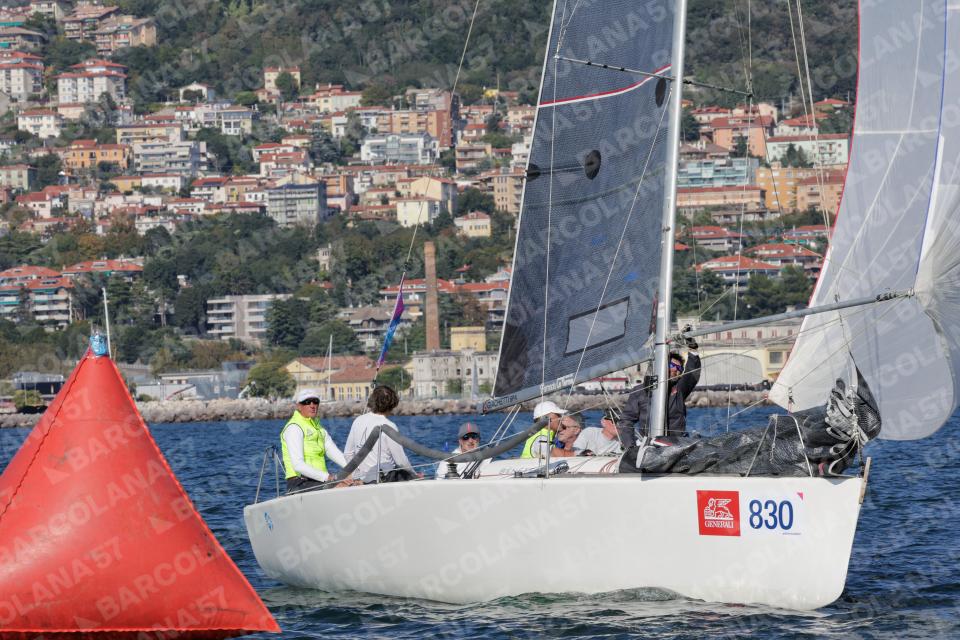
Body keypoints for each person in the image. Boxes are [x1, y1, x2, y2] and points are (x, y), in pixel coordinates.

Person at [618, 343, 701, 444]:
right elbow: (626, 420)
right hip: (650, 444)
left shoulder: (680, 389)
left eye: (679, 368)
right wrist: (630, 446)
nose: (675, 369)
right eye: (672, 365)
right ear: (660, 366)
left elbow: (691, 375)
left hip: (676, 444)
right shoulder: (639, 391)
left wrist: (693, 350)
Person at [344, 385, 418, 483]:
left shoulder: (358, 421)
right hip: (385, 479)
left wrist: (357, 476)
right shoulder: (389, 426)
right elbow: (401, 461)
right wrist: (414, 475)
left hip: (363, 480)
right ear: (392, 404)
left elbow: (348, 454)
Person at [281, 388, 347, 493]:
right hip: (299, 483)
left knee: (355, 483)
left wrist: (352, 470)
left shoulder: (318, 428)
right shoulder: (294, 428)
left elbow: (334, 452)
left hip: (319, 481)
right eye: (307, 402)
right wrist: (328, 477)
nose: (312, 405)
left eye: (315, 401)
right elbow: (298, 465)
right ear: (299, 406)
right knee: (342, 487)